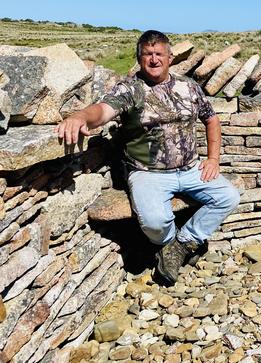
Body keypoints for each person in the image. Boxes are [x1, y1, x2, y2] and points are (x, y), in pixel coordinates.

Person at [56, 30, 240, 285]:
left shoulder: (189, 88)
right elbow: (102, 111)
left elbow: (211, 119)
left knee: (228, 197)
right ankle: (168, 244)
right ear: (139, 58)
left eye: (159, 54)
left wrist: (213, 159)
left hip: (190, 169)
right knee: (155, 221)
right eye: (148, 54)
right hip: (147, 172)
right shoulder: (130, 89)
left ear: (170, 57)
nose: (154, 59)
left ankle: (182, 244)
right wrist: (80, 116)